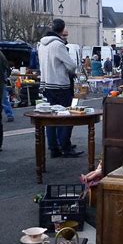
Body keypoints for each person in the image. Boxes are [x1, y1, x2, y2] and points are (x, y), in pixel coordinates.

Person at [38, 19, 83, 159]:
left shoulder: (41, 44)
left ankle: (53, 148)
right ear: (61, 30)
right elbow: (71, 65)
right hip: (60, 85)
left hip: (46, 84)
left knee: (51, 119)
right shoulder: (58, 45)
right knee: (66, 117)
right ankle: (65, 147)